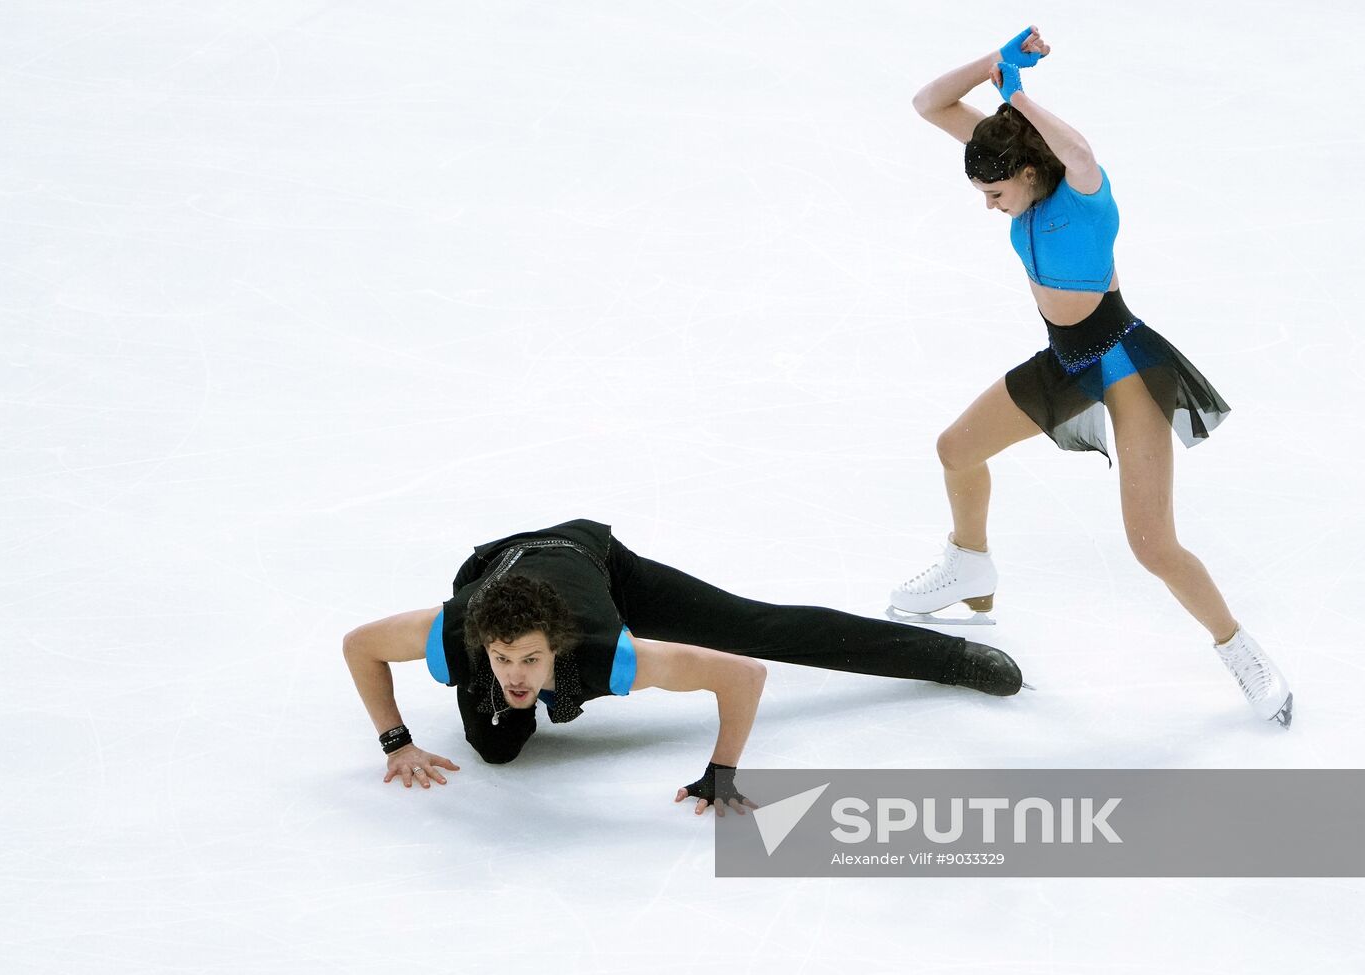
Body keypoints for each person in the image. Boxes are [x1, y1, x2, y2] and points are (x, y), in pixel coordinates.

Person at [891, 26, 1291, 727]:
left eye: (994, 194)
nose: (990, 206)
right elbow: (929, 102)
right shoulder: (1017, 164)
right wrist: (991, 64)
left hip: (1125, 366)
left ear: (1027, 173)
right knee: (956, 448)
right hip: (1065, 360)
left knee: (1152, 543)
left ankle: (1241, 648)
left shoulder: (1083, 196)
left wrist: (1017, 92)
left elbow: (1078, 151)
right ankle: (969, 562)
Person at [343, 519, 1025, 815]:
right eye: (502, 659)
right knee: (497, 743)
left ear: (560, 644)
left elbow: (744, 671)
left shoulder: (611, 652)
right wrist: (396, 742)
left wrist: (721, 772)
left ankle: (950, 658)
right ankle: (496, 698)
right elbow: (359, 644)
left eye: (530, 659)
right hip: (500, 573)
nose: (516, 672)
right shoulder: (454, 632)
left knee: (759, 623)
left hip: (594, 564)